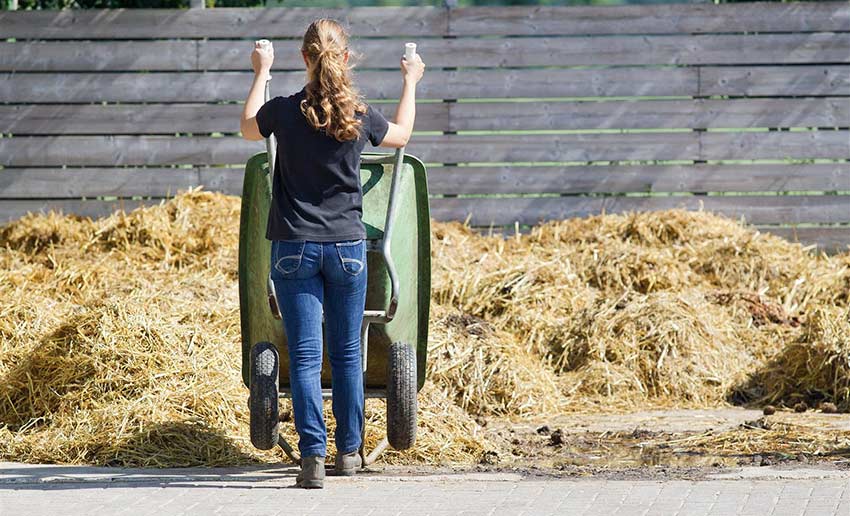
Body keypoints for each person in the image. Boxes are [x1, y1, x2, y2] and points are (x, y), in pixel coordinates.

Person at [239, 18, 425, 489]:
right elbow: (403, 134)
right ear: (344, 59)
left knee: (304, 358)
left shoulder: (282, 111)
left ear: (304, 58)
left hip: (293, 248)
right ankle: (349, 453)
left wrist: (261, 71)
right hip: (347, 249)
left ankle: (312, 460)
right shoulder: (358, 114)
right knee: (346, 355)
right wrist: (411, 80)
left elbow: (246, 129)